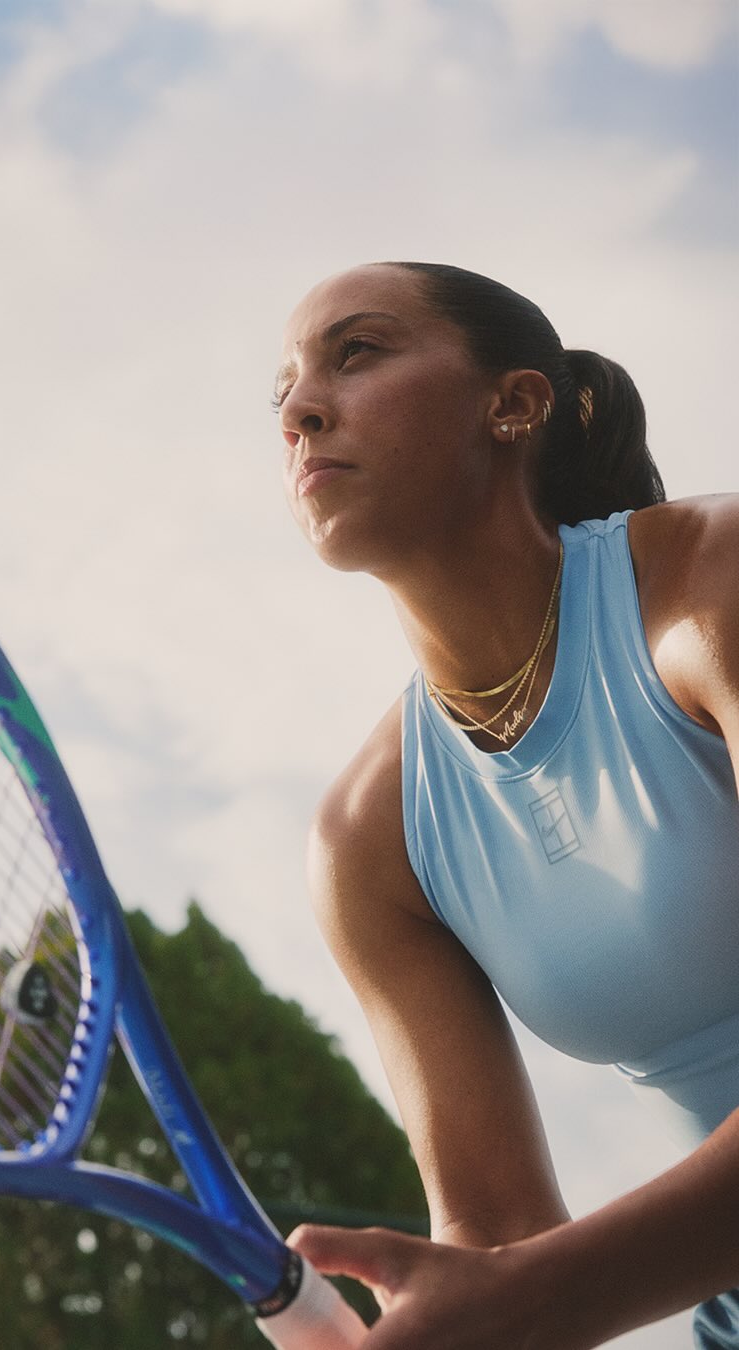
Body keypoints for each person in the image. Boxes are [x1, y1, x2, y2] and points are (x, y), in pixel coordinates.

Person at [272, 261, 739, 1348]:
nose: (298, 412)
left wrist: (538, 1298)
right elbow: (493, 1242)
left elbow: (529, 1291)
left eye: (356, 352)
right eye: (283, 393)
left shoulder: (712, 583)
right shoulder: (364, 841)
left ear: (515, 404)